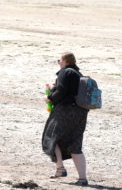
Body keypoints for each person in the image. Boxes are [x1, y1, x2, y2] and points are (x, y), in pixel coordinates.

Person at [42, 52, 89, 187]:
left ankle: (60, 168)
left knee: (51, 136)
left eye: (59, 60)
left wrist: (50, 98)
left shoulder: (65, 72)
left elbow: (61, 91)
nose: (59, 62)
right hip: (81, 112)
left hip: (65, 111)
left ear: (66, 61)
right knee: (75, 143)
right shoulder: (78, 74)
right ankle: (82, 179)